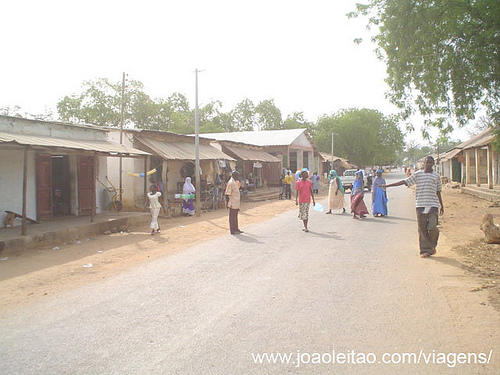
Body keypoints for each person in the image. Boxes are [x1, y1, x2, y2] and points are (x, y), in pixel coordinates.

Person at [384, 156, 444, 258]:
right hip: (420, 205)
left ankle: (431, 246)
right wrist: (388, 186)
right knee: (422, 229)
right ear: (424, 164)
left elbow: (438, 191)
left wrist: (442, 205)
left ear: (433, 164)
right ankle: (425, 250)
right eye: (427, 162)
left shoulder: (436, 176)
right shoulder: (418, 174)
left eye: (431, 163)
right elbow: (405, 182)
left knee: (433, 227)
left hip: (433, 205)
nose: (429, 164)